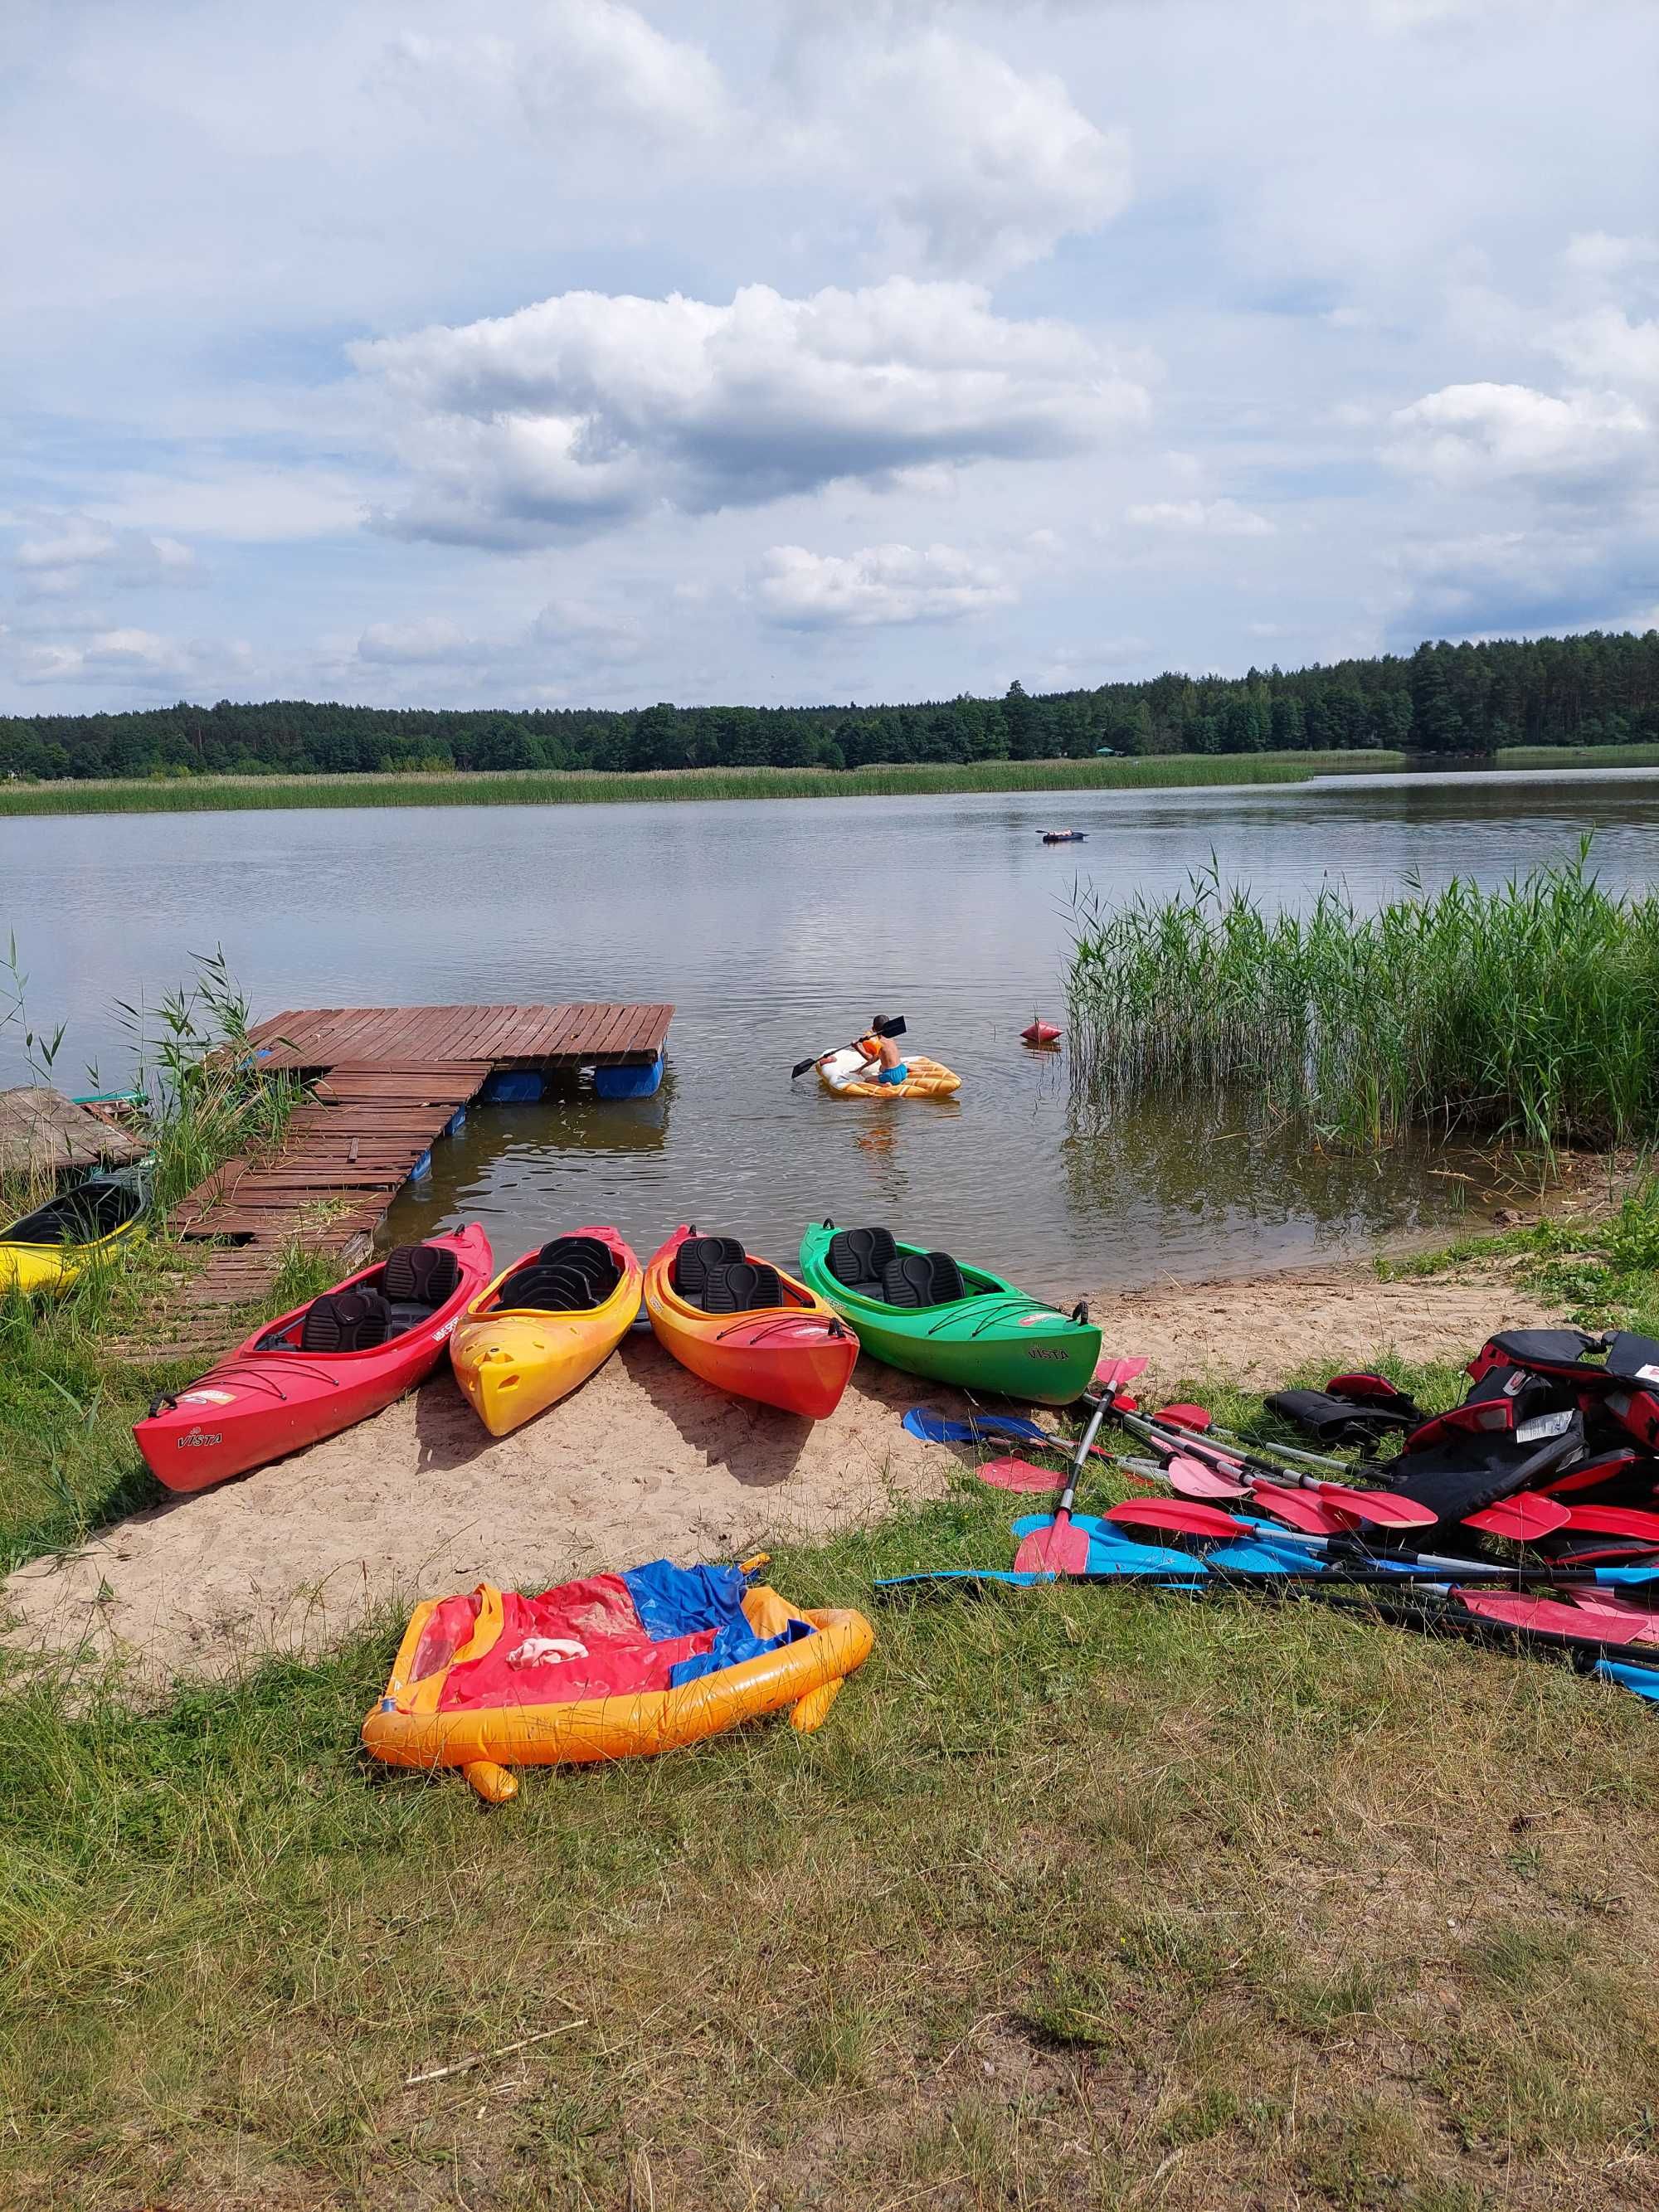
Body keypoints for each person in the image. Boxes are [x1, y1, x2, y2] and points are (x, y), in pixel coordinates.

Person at [854, 1016, 908, 1087]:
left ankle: (885, 1084)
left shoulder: (879, 1043)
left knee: (867, 1080)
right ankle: (907, 1070)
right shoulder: (890, 1038)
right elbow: (876, 1058)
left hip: (892, 1076)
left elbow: (870, 1058)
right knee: (881, 1068)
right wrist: (861, 1068)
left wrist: (857, 1047)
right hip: (902, 1070)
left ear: (873, 1029)